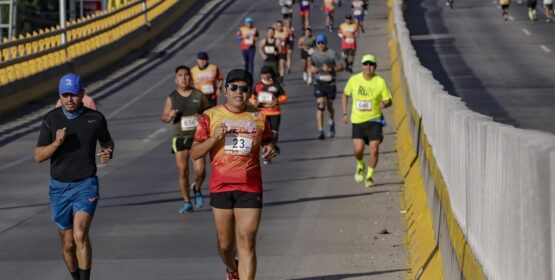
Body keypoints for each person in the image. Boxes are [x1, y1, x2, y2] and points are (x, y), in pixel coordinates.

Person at [191, 69, 277, 280]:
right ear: (225, 90)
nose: (239, 92)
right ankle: (232, 269)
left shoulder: (259, 117)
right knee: (225, 247)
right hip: (221, 187)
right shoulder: (209, 116)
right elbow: (195, 153)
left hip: (250, 187)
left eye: (244, 88)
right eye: (234, 87)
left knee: (247, 239)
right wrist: (214, 139)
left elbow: (267, 141)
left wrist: (269, 148)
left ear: (250, 92)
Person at [34, 73, 114, 280]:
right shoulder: (51, 120)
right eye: (65, 95)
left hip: (86, 184)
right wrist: (56, 144)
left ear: (82, 94)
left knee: (80, 234)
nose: (70, 99)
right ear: (60, 95)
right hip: (59, 188)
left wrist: (108, 152)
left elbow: (107, 142)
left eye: (74, 95)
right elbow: (38, 156)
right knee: (68, 243)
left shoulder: (95, 119)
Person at [161, 65, 209, 213]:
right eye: (181, 75)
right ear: (176, 79)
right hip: (180, 137)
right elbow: (164, 117)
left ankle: (197, 187)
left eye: (187, 75)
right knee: (183, 170)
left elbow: (208, 113)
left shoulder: (198, 95)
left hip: (197, 137)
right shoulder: (172, 98)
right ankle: (187, 202)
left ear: (191, 77)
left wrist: (202, 117)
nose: (184, 78)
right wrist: (170, 116)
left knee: (200, 170)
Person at [341, 54, 392, 188]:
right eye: (366, 64)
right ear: (362, 66)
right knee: (359, 150)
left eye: (371, 64)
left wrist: (384, 104)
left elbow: (388, 101)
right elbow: (345, 94)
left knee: (374, 149)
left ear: (375, 67)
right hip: (358, 121)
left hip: (374, 120)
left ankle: (369, 176)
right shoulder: (354, 80)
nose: (368, 67)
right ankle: (360, 164)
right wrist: (345, 113)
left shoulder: (380, 82)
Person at [250, 66, 288, 163]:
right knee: (264, 135)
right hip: (262, 113)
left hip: (275, 112)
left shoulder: (276, 85)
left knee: (274, 133)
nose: (266, 75)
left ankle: (273, 148)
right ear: (261, 75)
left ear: (271, 74)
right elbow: (251, 96)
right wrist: (255, 103)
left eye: (268, 73)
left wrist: (277, 101)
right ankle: (267, 153)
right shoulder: (258, 86)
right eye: (264, 73)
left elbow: (284, 96)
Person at [309, 34, 344, 140]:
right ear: (316, 44)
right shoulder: (314, 55)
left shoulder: (332, 53)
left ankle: (331, 122)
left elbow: (341, 67)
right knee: (320, 104)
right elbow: (310, 66)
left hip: (330, 83)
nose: (320, 45)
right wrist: (312, 70)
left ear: (326, 43)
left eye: (322, 43)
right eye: (318, 43)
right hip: (319, 82)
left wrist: (331, 68)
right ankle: (320, 130)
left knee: (329, 106)